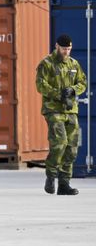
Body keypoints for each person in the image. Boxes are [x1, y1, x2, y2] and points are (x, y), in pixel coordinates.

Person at [36, 34, 87, 195]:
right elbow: (41, 85)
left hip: (71, 110)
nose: (66, 52)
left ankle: (64, 184)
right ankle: (51, 176)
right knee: (59, 143)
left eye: (69, 49)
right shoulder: (47, 64)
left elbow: (83, 82)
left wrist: (73, 90)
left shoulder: (74, 64)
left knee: (72, 148)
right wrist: (59, 94)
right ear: (57, 46)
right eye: (64, 49)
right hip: (54, 109)